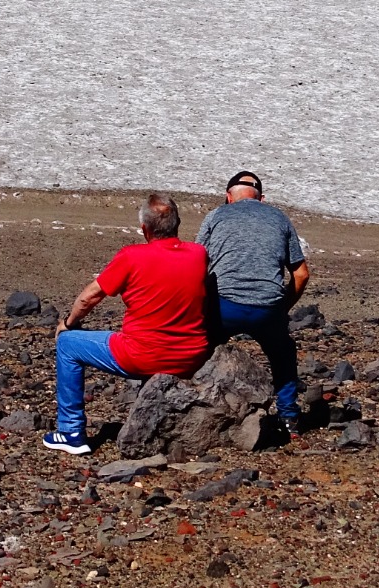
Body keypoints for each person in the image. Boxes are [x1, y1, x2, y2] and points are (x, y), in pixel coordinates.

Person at [42, 193, 210, 455]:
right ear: (177, 224)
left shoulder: (132, 256)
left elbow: (90, 297)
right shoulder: (198, 254)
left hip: (142, 355)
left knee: (67, 344)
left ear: (145, 229)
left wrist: (68, 322)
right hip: (189, 357)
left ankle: (70, 431)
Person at [197, 170, 309, 425]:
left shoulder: (215, 216)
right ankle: (289, 418)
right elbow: (301, 275)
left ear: (228, 197)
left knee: (203, 348)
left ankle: (202, 410)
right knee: (283, 354)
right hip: (267, 306)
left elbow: (197, 265)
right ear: (261, 198)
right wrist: (281, 308)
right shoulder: (279, 218)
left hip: (224, 305)